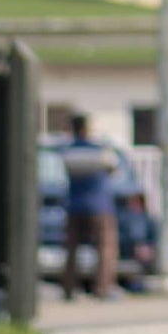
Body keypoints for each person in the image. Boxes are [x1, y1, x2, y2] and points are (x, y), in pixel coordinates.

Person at [60, 115, 119, 301]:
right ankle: (102, 289)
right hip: (100, 206)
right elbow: (113, 168)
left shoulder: (67, 152)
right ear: (88, 128)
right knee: (105, 248)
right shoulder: (101, 151)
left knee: (71, 249)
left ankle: (69, 289)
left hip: (74, 206)